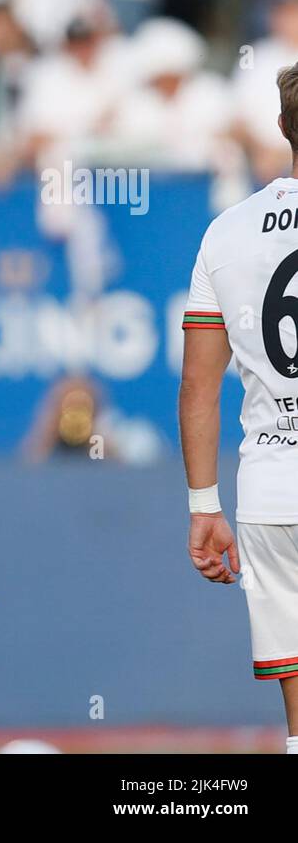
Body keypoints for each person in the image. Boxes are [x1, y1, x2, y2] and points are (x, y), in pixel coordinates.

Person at [178, 62, 298, 755]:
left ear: (282, 127)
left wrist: (203, 505)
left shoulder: (229, 231)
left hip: (271, 487)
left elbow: (199, 386)